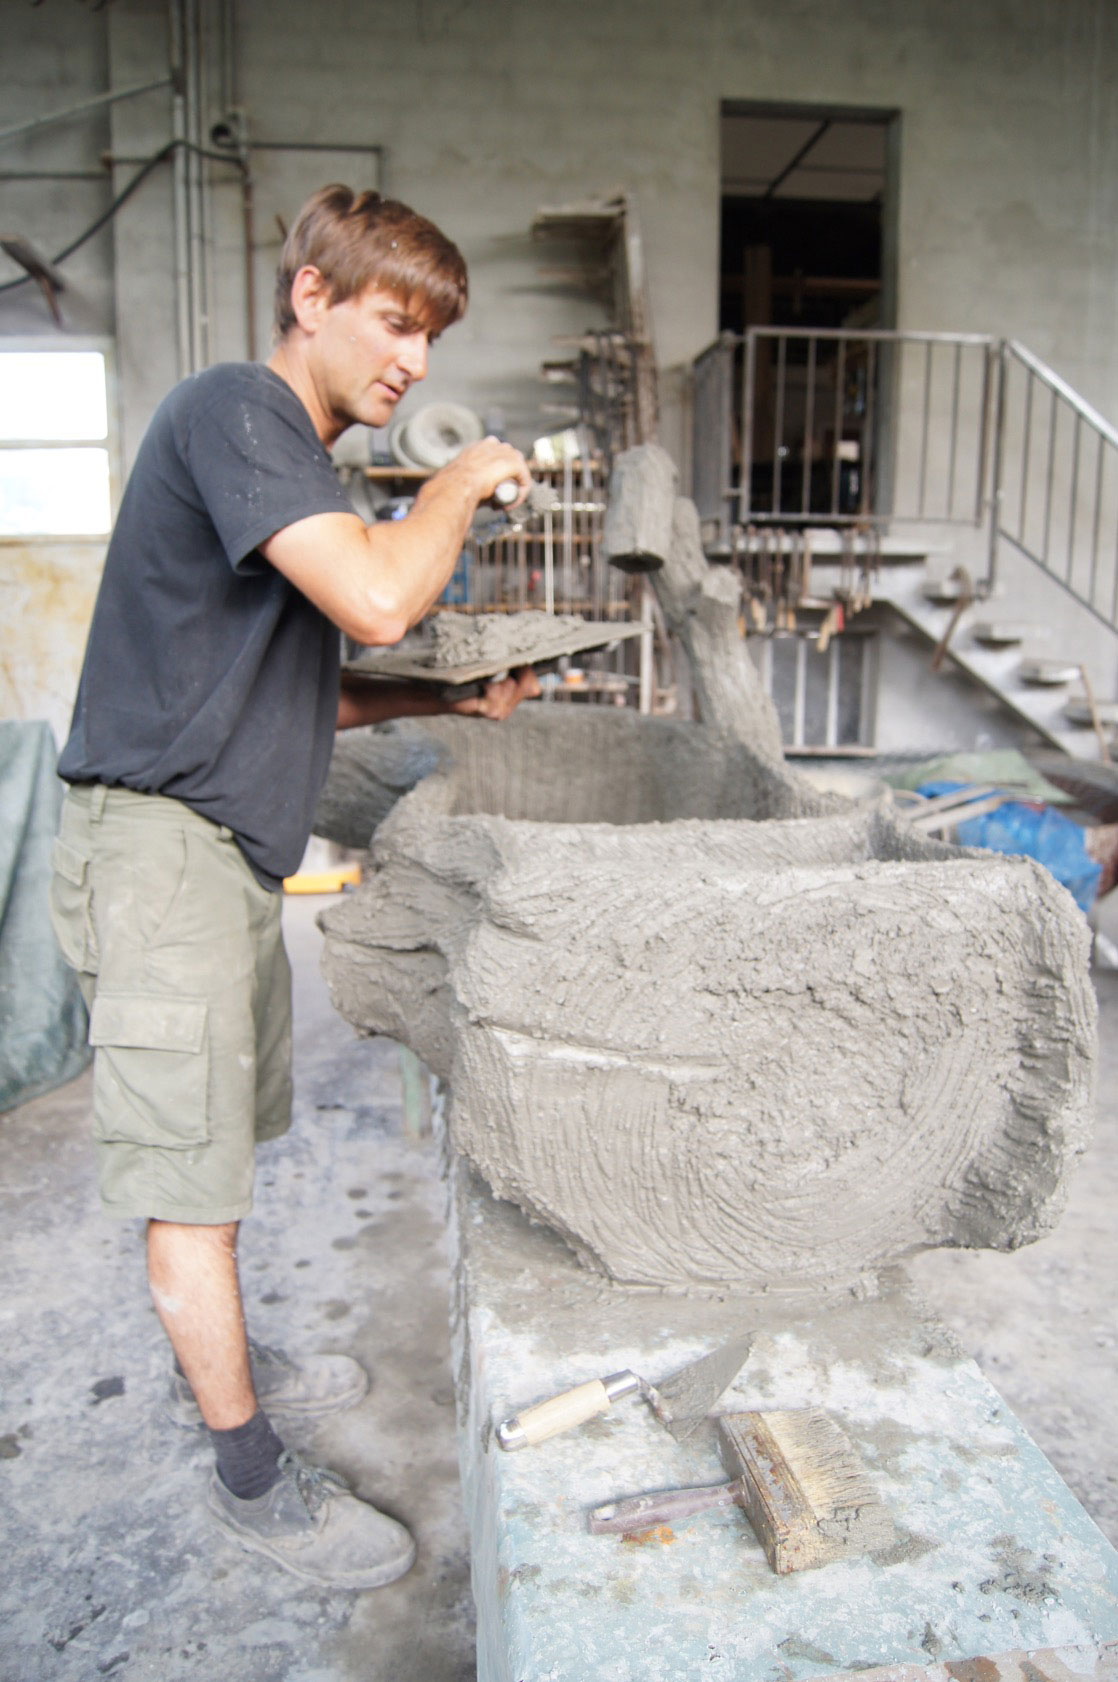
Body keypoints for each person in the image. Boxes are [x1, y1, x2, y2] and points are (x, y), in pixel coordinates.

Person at [48, 184, 538, 1592]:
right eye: (394, 322)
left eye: (431, 339)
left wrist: (439, 698)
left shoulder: (294, 468)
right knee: (188, 1187)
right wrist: (454, 480)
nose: (413, 363)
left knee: (222, 1143)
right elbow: (379, 596)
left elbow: (302, 671)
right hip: (160, 854)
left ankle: (242, 1368)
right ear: (308, 299)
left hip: (216, 851)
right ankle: (250, 1482)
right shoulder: (233, 411)